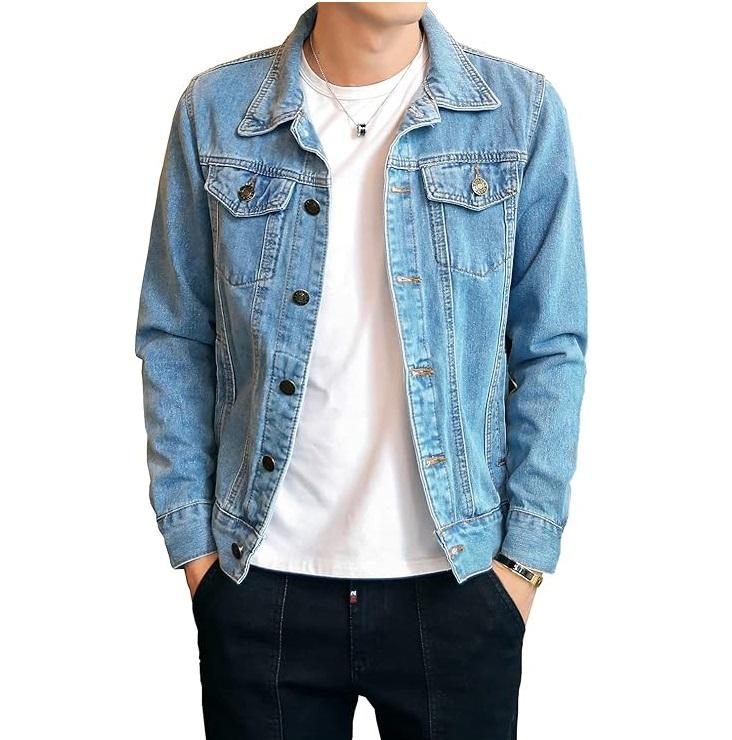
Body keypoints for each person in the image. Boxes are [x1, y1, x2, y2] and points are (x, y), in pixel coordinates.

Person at [134, 2, 587, 738]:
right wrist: (195, 551)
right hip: (258, 583)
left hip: (460, 583)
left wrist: (523, 567)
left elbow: (551, 347)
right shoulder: (215, 113)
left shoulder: (519, 114)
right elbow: (175, 333)